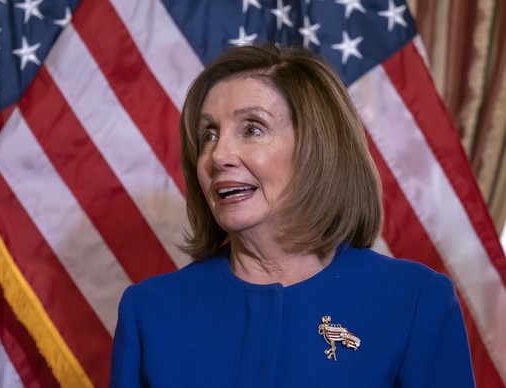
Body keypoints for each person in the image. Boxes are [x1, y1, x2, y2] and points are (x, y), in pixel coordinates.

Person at [109, 44, 475, 387]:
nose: (218, 155)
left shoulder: (414, 301)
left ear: (317, 149)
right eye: (209, 134)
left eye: (252, 128)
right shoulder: (150, 312)